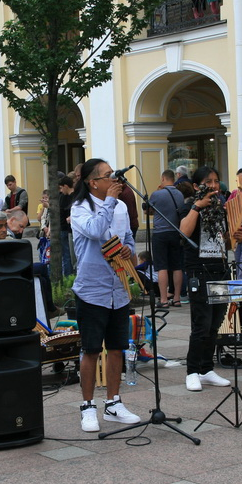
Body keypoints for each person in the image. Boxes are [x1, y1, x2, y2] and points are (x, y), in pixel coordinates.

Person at [71, 158, 141, 432]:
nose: (115, 180)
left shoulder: (122, 206)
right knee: (90, 350)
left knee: (116, 348)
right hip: (92, 290)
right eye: (108, 175)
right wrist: (110, 201)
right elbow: (96, 230)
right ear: (94, 182)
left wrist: (127, 249)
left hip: (118, 289)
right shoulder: (79, 208)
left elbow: (128, 238)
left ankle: (114, 402)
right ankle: (88, 407)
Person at [178, 166, 242, 392]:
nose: (214, 185)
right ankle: (192, 371)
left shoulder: (221, 208)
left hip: (220, 269)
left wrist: (234, 237)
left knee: (215, 324)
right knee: (201, 325)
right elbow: (183, 232)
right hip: (199, 271)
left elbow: (223, 244)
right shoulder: (188, 206)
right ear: (197, 186)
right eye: (208, 181)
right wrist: (197, 207)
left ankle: (207, 369)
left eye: (216, 181)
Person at [147, 169, 185, 307]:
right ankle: (176, 298)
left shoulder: (157, 194)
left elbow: (148, 210)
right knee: (176, 266)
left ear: (163, 178)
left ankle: (163, 299)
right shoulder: (180, 194)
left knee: (161, 266)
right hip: (175, 232)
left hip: (160, 233)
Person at [57, 176, 75, 276]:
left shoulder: (72, 197)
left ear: (65, 186)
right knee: (67, 254)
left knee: (68, 255)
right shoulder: (65, 196)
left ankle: (69, 276)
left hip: (68, 229)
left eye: (61, 188)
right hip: (65, 228)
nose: (61, 190)